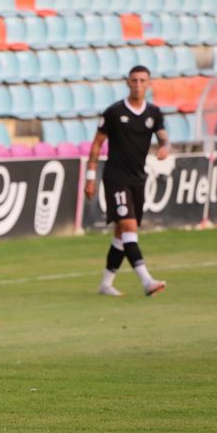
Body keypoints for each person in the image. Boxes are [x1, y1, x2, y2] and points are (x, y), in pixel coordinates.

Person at [84, 65, 170, 297]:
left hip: (138, 179)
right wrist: (90, 177)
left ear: (149, 84)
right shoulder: (114, 112)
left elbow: (163, 137)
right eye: (134, 80)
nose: (138, 85)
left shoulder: (154, 113)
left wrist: (164, 147)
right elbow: (96, 144)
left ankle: (106, 284)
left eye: (142, 81)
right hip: (116, 178)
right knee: (129, 227)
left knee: (121, 234)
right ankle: (147, 281)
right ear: (127, 83)